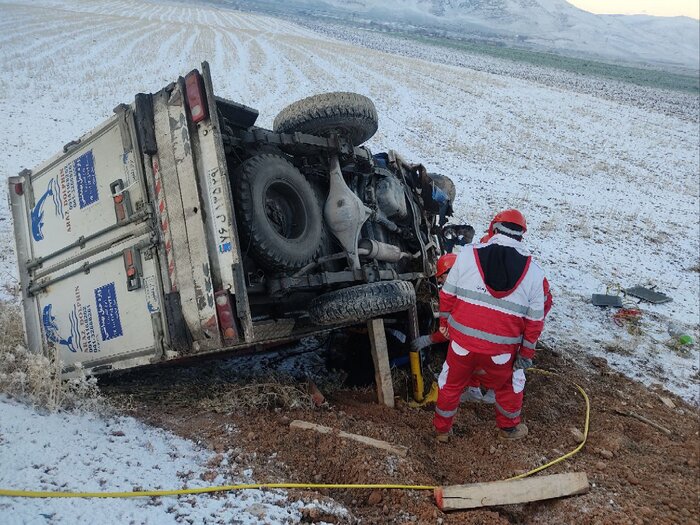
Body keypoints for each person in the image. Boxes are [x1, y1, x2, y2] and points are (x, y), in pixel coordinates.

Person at [432, 209, 552, 443]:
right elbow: (535, 322)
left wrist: (445, 324)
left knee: (450, 384)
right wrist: (525, 355)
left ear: (493, 229)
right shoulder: (535, 273)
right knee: (510, 384)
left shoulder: (467, 255)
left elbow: (446, 296)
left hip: (462, 344)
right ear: (521, 235)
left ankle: (442, 432)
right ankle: (508, 429)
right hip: (502, 352)